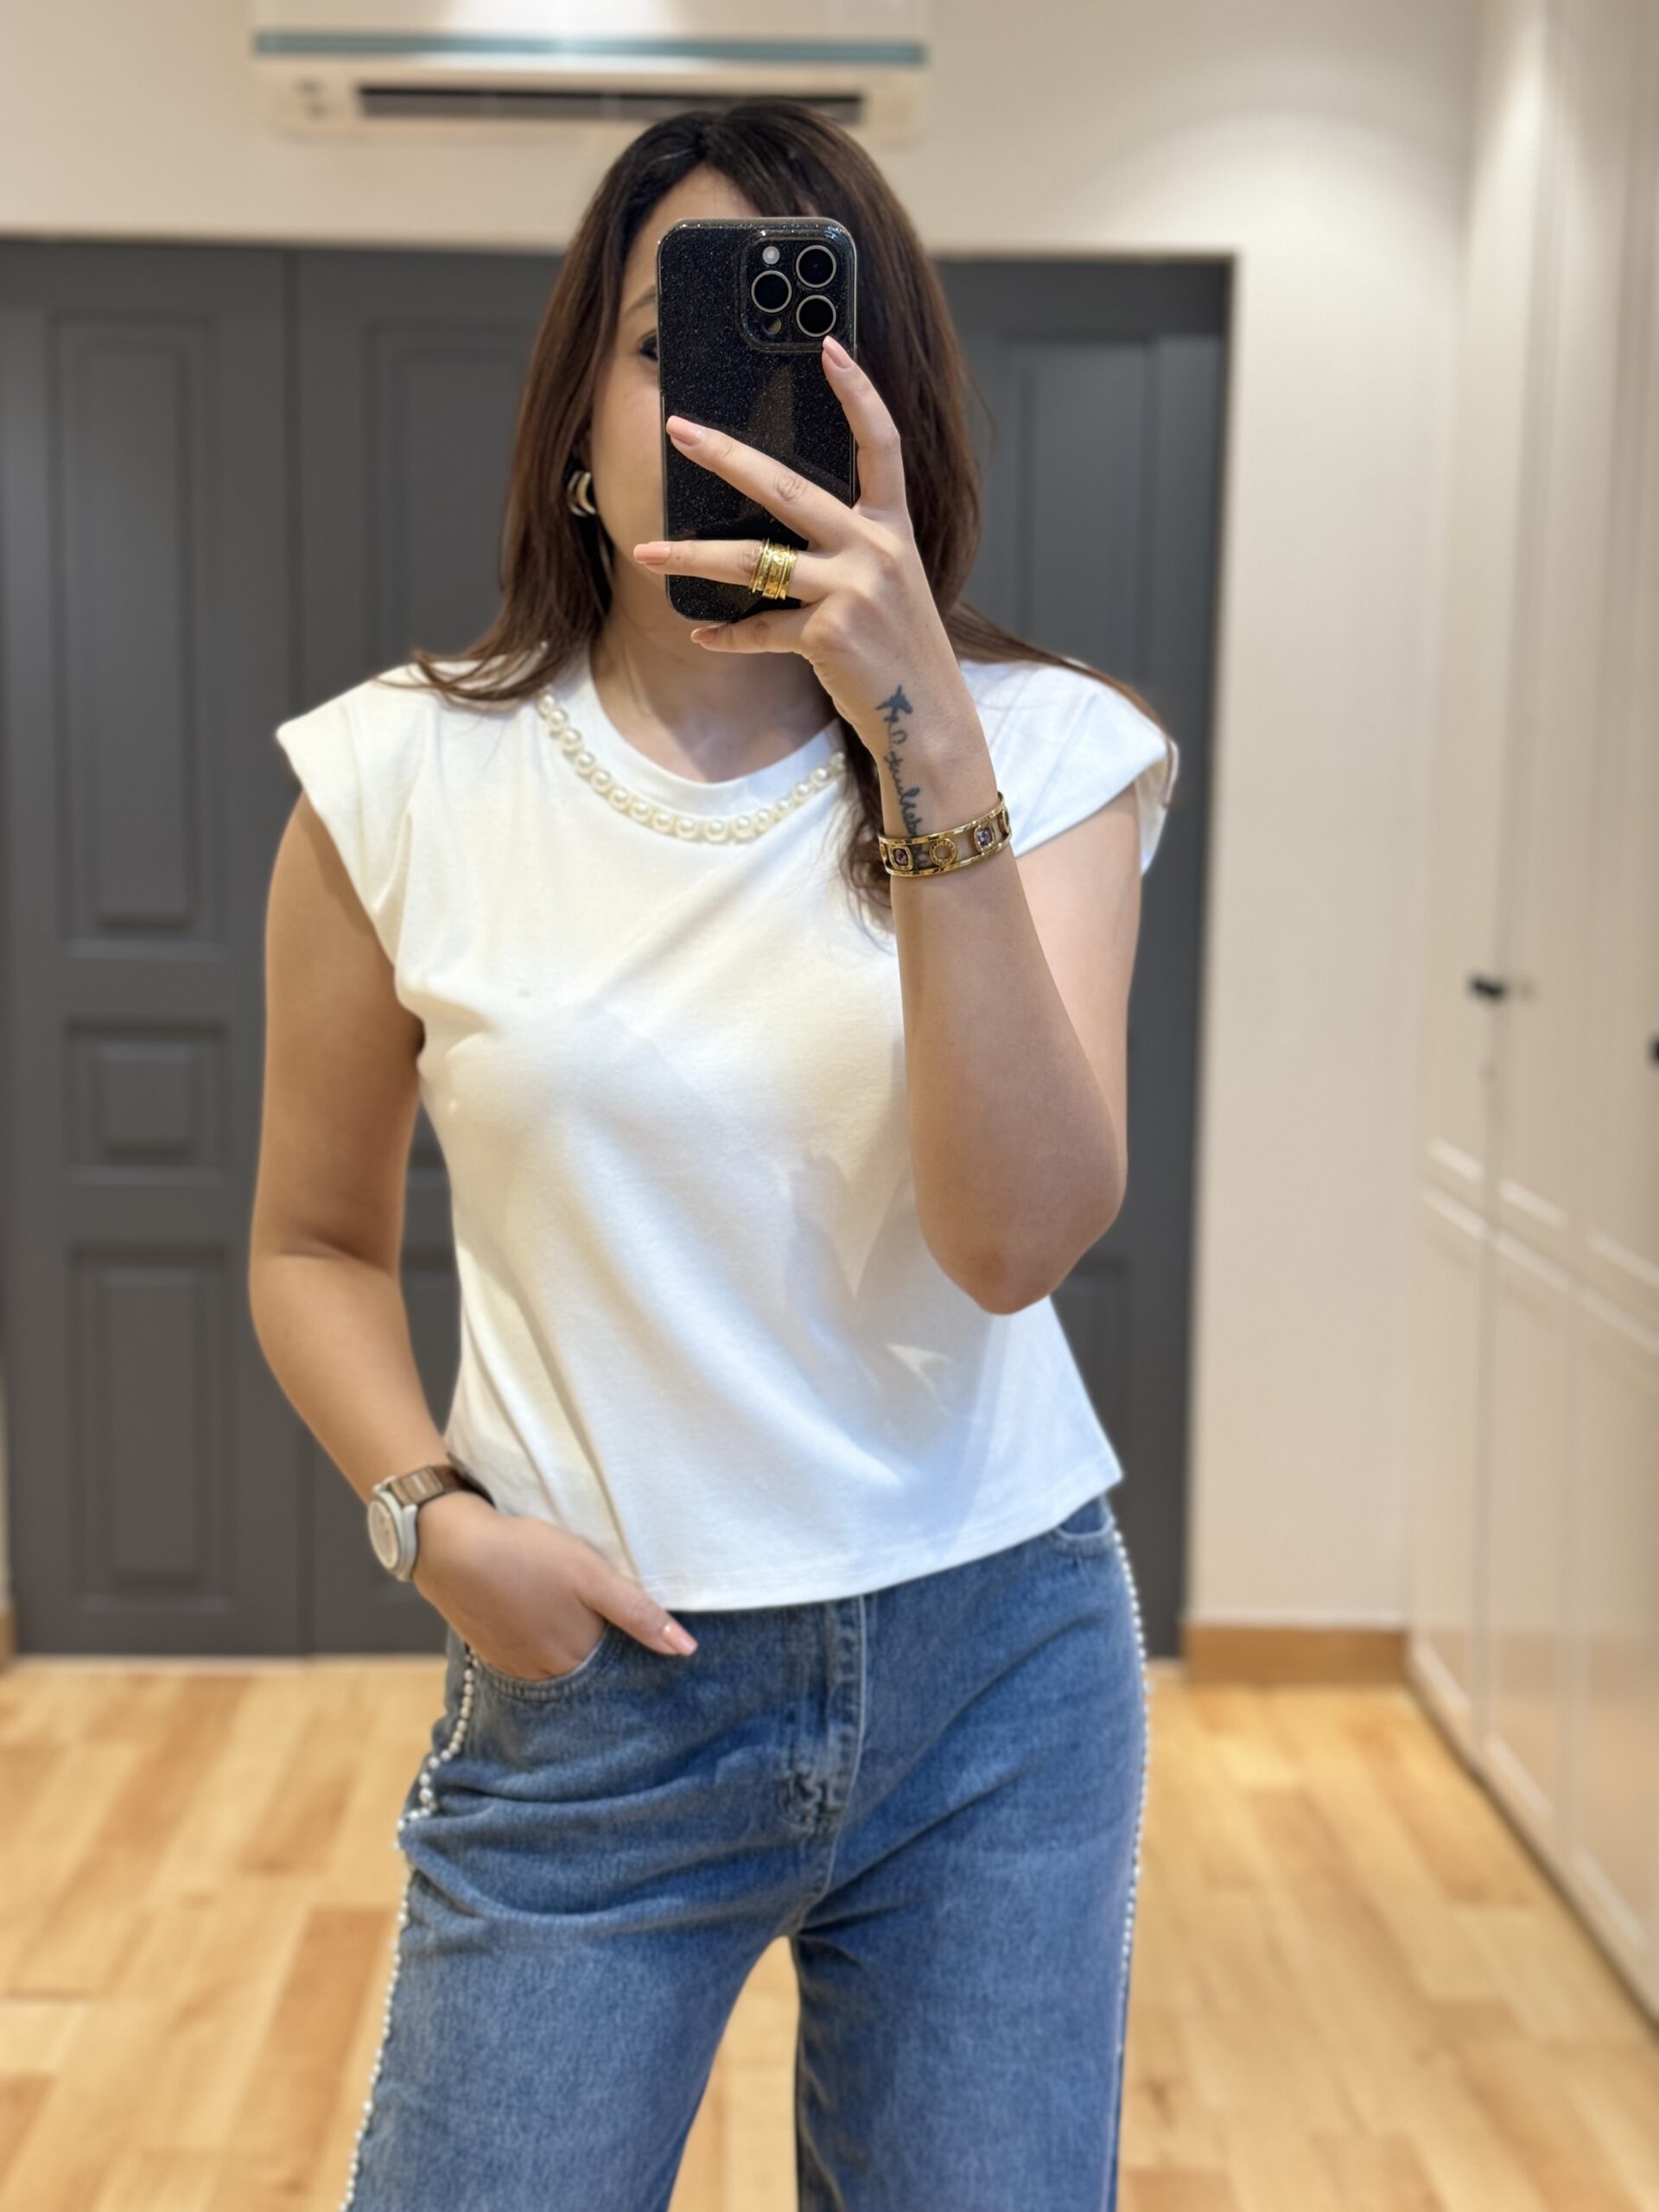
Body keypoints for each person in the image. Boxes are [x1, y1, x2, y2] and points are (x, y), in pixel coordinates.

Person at [251, 97, 1179, 2212]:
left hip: (997, 1678)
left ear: (889, 410)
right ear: (579, 417)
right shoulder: (398, 779)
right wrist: (426, 1517)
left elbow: (1016, 1237)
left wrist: (918, 723)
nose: (723, 403)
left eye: (799, 339)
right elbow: (309, 1240)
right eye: (672, 342)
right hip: (597, 1685)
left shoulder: (1044, 754)